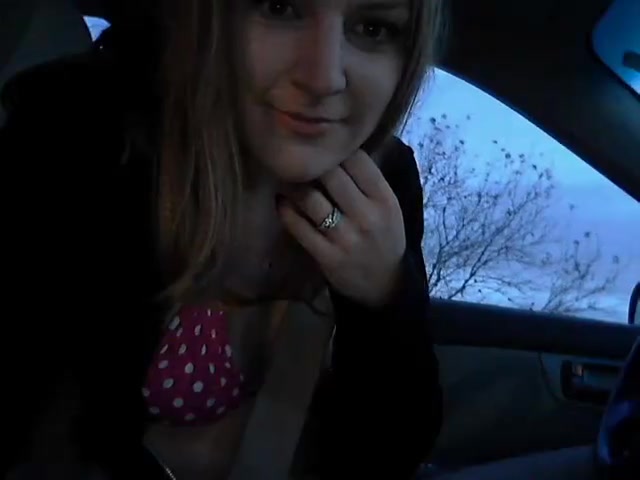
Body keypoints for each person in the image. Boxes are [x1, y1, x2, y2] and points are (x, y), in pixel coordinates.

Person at [1, 0, 445, 478]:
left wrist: (384, 300)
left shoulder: (383, 185)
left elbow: (392, 449)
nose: (323, 78)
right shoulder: (83, 137)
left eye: (373, 28)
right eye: (280, 8)